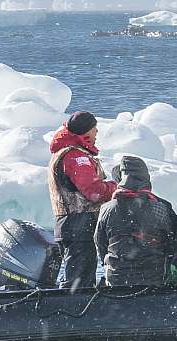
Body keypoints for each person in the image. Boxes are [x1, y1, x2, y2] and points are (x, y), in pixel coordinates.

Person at [48, 111, 117, 289]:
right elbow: (94, 191)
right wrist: (115, 187)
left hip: (71, 224)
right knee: (79, 281)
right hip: (79, 224)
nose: (96, 134)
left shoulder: (65, 153)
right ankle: (73, 311)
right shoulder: (76, 157)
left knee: (80, 277)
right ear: (85, 132)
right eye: (94, 130)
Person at [94, 155, 177, 287]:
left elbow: (100, 243)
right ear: (145, 178)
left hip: (116, 277)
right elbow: (172, 240)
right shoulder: (159, 207)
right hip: (152, 277)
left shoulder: (107, 208)